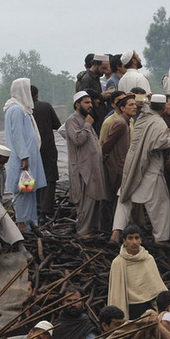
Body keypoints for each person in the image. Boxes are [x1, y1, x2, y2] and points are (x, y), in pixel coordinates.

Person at [111, 94, 170, 244]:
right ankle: (161, 239)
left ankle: (116, 231)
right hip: (150, 168)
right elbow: (157, 143)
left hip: (132, 166)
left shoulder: (142, 118)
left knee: (125, 197)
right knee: (160, 205)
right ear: (163, 107)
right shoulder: (158, 122)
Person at [60, 90, 108, 238]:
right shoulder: (72, 120)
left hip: (92, 168)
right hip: (82, 168)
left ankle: (90, 230)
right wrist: (87, 125)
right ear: (77, 104)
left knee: (93, 199)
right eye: (86, 103)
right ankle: (83, 231)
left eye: (90, 102)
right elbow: (78, 139)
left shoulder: (86, 119)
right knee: (85, 202)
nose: (90, 105)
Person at [3, 78, 46, 231]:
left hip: (27, 158)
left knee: (28, 191)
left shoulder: (23, 109)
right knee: (22, 191)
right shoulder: (15, 109)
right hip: (22, 159)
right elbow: (17, 136)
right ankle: (22, 223)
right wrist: (24, 157)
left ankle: (30, 223)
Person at [108, 225, 168, 319]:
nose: (134, 242)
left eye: (137, 238)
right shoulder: (118, 263)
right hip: (130, 308)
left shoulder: (148, 259)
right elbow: (116, 293)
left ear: (141, 240)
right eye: (130, 238)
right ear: (124, 241)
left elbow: (156, 286)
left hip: (149, 306)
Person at [100, 93, 137, 231]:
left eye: (134, 104)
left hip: (122, 166)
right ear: (122, 108)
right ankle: (109, 228)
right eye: (130, 105)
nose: (134, 107)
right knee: (112, 198)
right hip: (116, 167)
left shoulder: (127, 121)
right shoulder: (119, 123)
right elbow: (106, 144)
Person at [30, 85, 62, 222]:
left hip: (30, 150)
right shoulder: (45, 106)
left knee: (31, 178)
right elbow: (57, 125)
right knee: (49, 178)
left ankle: (33, 209)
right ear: (37, 95)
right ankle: (45, 211)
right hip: (47, 148)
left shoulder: (22, 109)